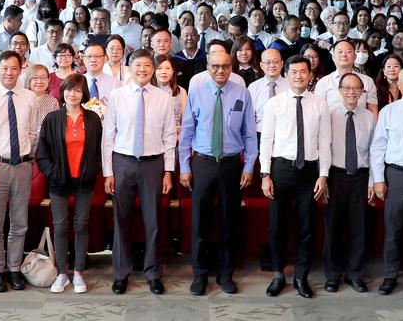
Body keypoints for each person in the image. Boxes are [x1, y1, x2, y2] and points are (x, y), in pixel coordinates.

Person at [178, 50, 258, 296]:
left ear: (231, 67)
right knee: (200, 223)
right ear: (208, 68)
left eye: (225, 66)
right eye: (215, 66)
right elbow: (187, 133)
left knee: (228, 221)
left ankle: (226, 273)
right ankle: (200, 274)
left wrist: (249, 166)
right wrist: (184, 166)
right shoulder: (197, 92)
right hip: (202, 163)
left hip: (232, 165)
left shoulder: (242, 93)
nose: (220, 71)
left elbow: (250, 134)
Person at [102, 49, 176, 295]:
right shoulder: (117, 96)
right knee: (121, 219)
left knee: (153, 220)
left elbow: (169, 136)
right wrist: (108, 172)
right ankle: (121, 273)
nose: (142, 70)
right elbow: (108, 136)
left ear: (153, 69)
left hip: (152, 163)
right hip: (123, 162)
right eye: (137, 66)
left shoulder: (163, 97)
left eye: (147, 65)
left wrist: (168, 171)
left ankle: (153, 273)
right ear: (129, 68)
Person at [259, 55, 331, 299]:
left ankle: (301, 277)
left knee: (307, 226)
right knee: (276, 225)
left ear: (310, 75)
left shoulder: (319, 103)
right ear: (286, 74)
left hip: (309, 171)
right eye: (294, 72)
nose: (299, 76)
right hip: (281, 169)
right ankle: (278, 274)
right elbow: (266, 140)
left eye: (303, 71)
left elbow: (324, 140)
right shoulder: (275, 103)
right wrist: (265, 174)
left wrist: (323, 175)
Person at [0, 51, 37, 294]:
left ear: (21, 69)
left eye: (14, 68)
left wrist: (27, 158)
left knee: (20, 222)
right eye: (5, 68)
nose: (9, 73)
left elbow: (32, 131)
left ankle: (14, 268)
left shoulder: (30, 97)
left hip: (22, 165)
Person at [36, 74, 102, 294]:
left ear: (84, 94)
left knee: (82, 225)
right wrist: (52, 173)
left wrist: (94, 169)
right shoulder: (52, 118)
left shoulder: (93, 119)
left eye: (77, 90)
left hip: (85, 180)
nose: (72, 94)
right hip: (59, 180)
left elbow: (101, 150)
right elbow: (42, 154)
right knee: (61, 226)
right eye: (68, 89)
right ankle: (63, 273)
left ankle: (79, 272)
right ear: (62, 91)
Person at [321, 72, 376, 294]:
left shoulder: (370, 117)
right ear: (340, 91)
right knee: (333, 227)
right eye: (347, 88)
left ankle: (355, 274)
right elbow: (323, 147)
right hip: (335, 176)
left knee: (359, 227)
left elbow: (374, 151)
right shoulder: (330, 115)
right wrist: (323, 177)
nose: (352, 92)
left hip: (361, 176)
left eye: (356, 88)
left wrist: (373, 181)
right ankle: (333, 274)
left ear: (363, 92)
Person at [314, 40, 379, 116]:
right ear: (333, 57)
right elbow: (318, 112)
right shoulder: (323, 83)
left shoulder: (367, 81)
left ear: (355, 56)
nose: (344, 55)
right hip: (332, 126)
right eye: (340, 52)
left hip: (361, 126)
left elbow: (373, 110)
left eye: (348, 51)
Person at [249, 49, 286, 136]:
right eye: (268, 62)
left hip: (285, 134)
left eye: (276, 61)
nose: (272, 65)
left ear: (282, 63)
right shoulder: (253, 87)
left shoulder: (291, 86)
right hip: (259, 134)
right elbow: (249, 117)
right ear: (261, 65)